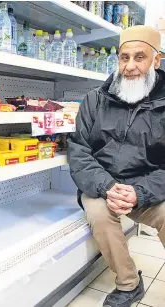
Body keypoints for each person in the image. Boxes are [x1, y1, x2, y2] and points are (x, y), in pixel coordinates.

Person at [68, 25, 165, 307]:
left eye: (139, 57)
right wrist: (107, 186)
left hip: (149, 188)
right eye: (124, 58)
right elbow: (79, 150)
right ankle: (128, 284)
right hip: (103, 185)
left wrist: (140, 193)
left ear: (156, 61)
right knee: (98, 212)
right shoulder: (95, 99)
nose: (130, 66)